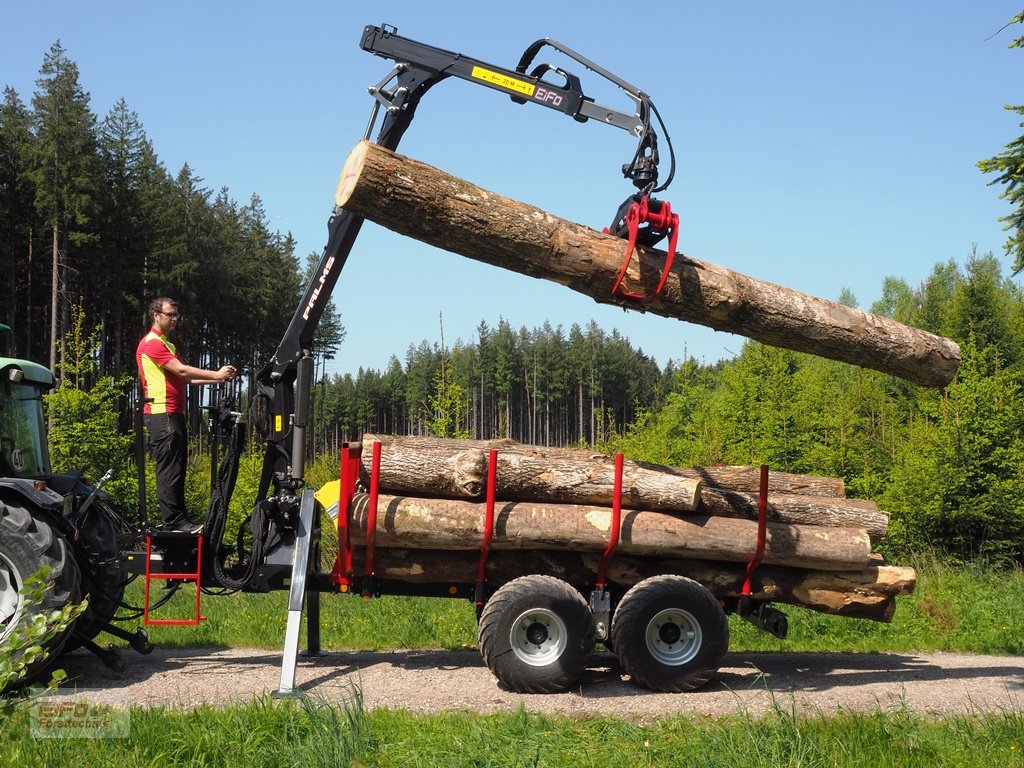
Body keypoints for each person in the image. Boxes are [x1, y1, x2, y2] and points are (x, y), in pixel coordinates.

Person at [136, 298, 237, 534]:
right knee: (170, 470)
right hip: (162, 414)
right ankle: (173, 522)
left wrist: (219, 377)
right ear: (156, 316)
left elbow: (187, 378)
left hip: (173, 414)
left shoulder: (167, 346)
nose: (174, 319)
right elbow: (182, 370)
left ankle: (178, 520)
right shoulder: (152, 343)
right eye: (170, 315)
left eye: (176, 315)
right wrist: (216, 373)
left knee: (178, 468)